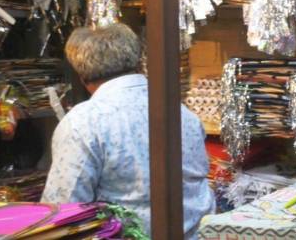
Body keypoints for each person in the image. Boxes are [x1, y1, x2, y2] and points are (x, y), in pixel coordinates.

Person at [41, 23, 214, 238]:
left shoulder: (83, 122)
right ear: (138, 63)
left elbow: (63, 209)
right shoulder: (179, 111)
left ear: (82, 76)